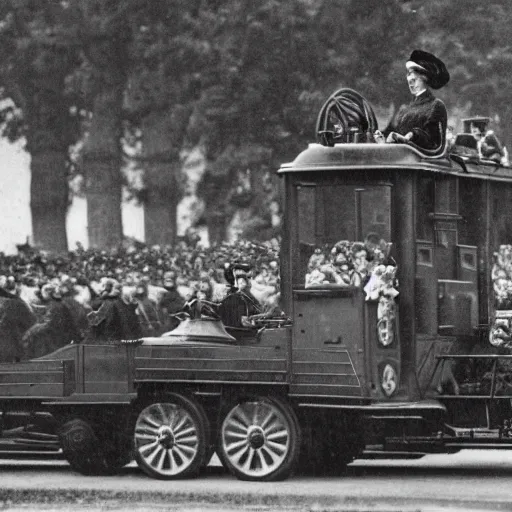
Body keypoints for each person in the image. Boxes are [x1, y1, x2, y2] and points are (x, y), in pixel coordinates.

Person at [375, 50, 450, 151]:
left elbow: (434, 144)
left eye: (414, 80)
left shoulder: (436, 106)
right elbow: (396, 138)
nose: (411, 83)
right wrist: (382, 141)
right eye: (409, 77)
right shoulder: (405, 110)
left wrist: (413, 135)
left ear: (425, 78)